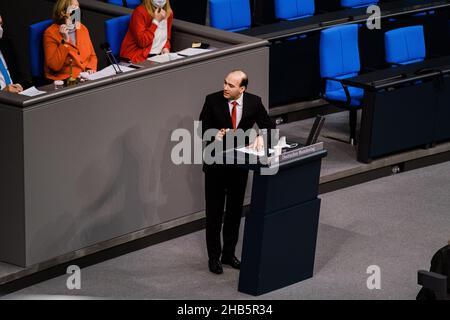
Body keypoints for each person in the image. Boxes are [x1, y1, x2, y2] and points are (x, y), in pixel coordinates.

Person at [199, 70, 276, 274]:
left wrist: (261, 136)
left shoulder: (254, 102)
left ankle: (228, 254)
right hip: (215, 165)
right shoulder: (212, 100)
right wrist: (215, 134)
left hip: (239, 167)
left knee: (234, 213)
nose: (225, 87)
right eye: (225, 83)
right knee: (214, 215)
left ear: (242, 89)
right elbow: (202, 129)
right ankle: (213, 258)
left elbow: (269, 126)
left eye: (231, 85)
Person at [43, 0, 97, 81]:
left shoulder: (82, 28)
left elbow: (92, 56)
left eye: (78, 7)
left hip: (86, 77)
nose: (78, 11)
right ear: (63, 13)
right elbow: (54, 66)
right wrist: (65, 41)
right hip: (65, 80)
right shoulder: (50, 33)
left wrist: (90, 69)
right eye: (74, 7)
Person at [0, 14, 23, 93]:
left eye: (0, 24)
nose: (0, 29)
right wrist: (3, 92)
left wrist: (19, 85)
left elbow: (20, 75)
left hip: (16, 98)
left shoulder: (5, 44)